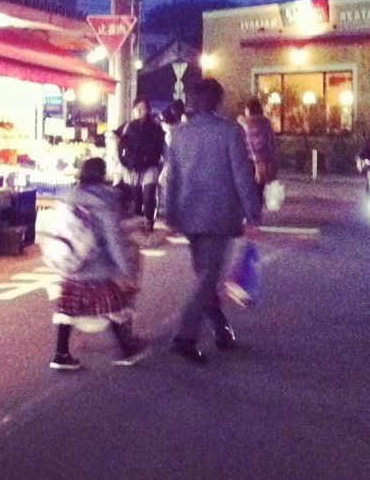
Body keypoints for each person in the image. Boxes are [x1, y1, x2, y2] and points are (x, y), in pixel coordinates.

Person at [159, 77, 263, 364]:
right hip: (220, 215)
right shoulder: (230, 132)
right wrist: (253, 213)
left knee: (205, 275)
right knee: (207, 279)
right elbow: (242, 175)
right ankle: (185, 336)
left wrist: (168, 212)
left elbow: (172, 178)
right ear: (218, 101)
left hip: (188, 214)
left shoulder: (179, 134)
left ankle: (220, 330)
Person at [47, 158, 145, 370]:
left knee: (68, 308)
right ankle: (126, 349)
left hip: (71, 264)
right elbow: (113, 238)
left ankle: (60, 354)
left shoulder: (70, 197)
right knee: (113, 306)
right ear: (102, 175)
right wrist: (124, 268)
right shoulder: (103, 200)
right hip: (95, 266)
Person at [116, 100, 167, 229]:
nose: (139, 111)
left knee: (149, 196)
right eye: (136, 108)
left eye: (142, 108)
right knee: (136, 197)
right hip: (132, 166)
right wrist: (123, 162)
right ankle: (139, 224)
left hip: (150, 166)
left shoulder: (156, 128)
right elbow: (118, 145)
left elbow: (162, 147)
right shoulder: (126, 127)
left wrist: (163, 165)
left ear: (147, 111)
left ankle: (149, 223)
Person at [237, 96, 279, 219]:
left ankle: (248, 214)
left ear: (249, 110)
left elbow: (239, 143)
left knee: (247, 189)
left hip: (248, 161)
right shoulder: (266, 123)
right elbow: (271, 142)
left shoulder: (243, 123)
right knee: (259, 189)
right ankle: (256, 214)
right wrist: (271, 159)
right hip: (263, 161)